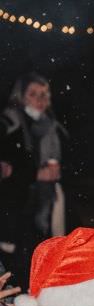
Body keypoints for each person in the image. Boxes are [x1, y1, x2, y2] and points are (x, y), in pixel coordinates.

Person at [0, 72, 68, 290]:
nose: (39, 100)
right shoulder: (9, 123)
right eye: (33, 94)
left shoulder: (52, 127)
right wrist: (35, 174)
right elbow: (6, 170)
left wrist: (58, 170)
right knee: (13, 273)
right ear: (21, 96)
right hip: (14, 210)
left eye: (44, 94)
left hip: (43, 208)